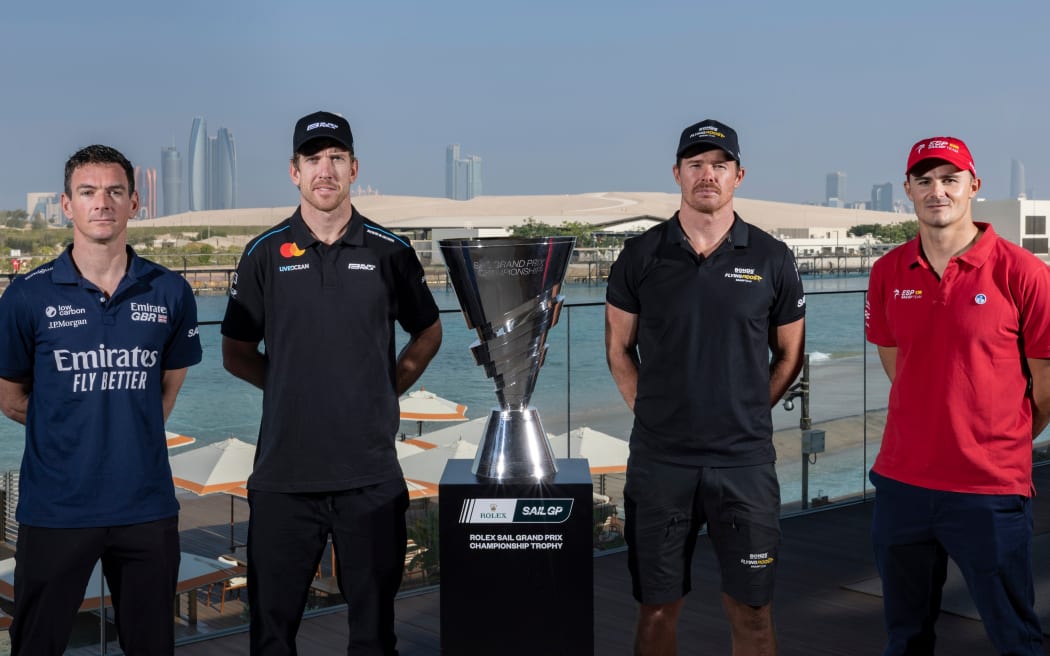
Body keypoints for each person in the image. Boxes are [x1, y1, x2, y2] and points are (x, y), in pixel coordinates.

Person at [221, 110, 442, 655]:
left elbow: (428, 332)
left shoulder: (390, 250)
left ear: (354, 169)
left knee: (373, 635)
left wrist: (384, 387)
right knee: (271, 637)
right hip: (282, 479)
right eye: (313, 159)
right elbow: (235, 353)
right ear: (293, 171)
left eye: (336, 158)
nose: (325, 170)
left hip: (369, 477)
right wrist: (291, 388)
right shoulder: (264, 253)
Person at [605, 119, 806, 656]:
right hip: (660, 463)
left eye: (719, 165)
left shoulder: (771, 257)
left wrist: (746, 410)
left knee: (754, 611)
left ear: (739, 175)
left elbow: (790, 354)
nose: (707, 175)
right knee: (656, 610)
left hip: (744, 463)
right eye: (696, 164)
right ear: (677, 174)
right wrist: (648, 410)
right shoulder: (640, 254)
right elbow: (618, 348)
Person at [0, 144, 202, 654]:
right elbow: (11, 399)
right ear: (67, 205)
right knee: (36, 645)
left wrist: (120, 430)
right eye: (87, 192)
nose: (102, 202)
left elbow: (164, 393)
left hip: (146, 509)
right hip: (55, 510)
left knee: (152, 645)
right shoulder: (27, 295)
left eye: (115, 191)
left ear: (135, 203)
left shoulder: (171, 292)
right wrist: (71, 428)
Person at [865, 136, 1050, 655]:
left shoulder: (1024, 273)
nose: (937, 191)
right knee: (904, 637)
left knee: (1015, 636)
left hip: (988, 489)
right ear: (907, 190)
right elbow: (898, 365)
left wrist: (1003, 436)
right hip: (902, 485)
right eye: (924, 181)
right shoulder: (887, 272)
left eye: (949, 179)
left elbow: (1046, 382)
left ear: (974, 186)